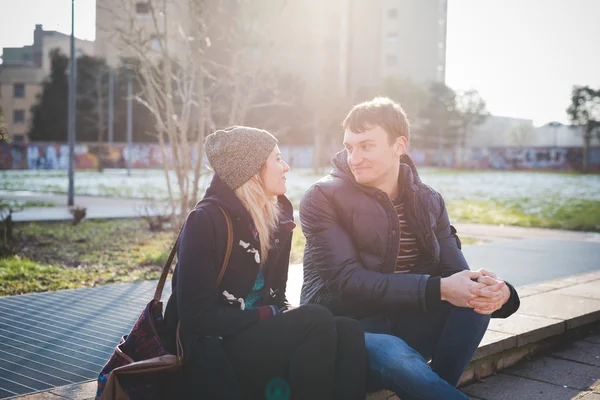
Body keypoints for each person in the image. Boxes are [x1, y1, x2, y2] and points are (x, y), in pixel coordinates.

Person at [299, 98, 520, 399]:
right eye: (349, 147)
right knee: (392, 349)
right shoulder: (322, 197)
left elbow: (456, 274)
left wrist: (502, 293)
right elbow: (348, 283)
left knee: (475, 299)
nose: (354, 158)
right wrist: (438, 289)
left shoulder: (429, 201)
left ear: (399, 145)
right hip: (345, 330)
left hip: (404, 321)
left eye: (366, 146)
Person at [164, 126, 366, 400]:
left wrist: (278, 313)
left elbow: (276, 296)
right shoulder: (205, 221)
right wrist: (267, 314)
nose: (286, 166)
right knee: (314, 320)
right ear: (252, 170)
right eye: (278, 158)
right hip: (214, 350)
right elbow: (197, 319)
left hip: (255, 337)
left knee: (349, 331)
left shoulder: (277, 216)